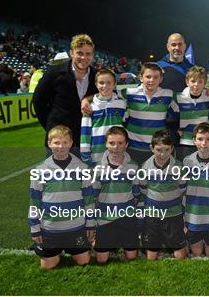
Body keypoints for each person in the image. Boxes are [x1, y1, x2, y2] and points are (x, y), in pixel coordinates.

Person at [28, 125, 94, 269]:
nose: (61, 146)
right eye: (56, 142)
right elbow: (34, 201)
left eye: (65, 142)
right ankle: (54, 251)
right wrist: (35, 228)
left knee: (84, 262)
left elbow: (89, 199)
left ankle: (68, 249)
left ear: (71, 143)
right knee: (48, 267)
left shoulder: (82, 168)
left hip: (76, 227)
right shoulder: (40, 170)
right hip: (50, 228)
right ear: (49, 144)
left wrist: (90, 224)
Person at [33, 34, 98, 155]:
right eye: (79, 53)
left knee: (81, 173)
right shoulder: (54, 72)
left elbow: (109, 94)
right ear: (71, 53)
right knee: (55, 173)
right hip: (59, 138)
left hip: (84, 138)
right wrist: (50, 126)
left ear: (93, 55)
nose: (84, 57)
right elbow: (38, 101)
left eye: (88, 54)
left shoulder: (97, 76)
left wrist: (87, 99)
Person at [92, 126, 140, 264]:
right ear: (106, 144)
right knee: (101, 259)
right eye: (111, 143)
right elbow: (94, 196)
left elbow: (136, 194)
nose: (116, 147)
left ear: (126, 144)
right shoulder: (98, 169)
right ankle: (103, 238)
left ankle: (123, 238)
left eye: (120, 143)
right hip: (105, 218)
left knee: (131, 257)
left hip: (126, 217)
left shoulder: (134, 167)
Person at [140, 129, 187, 260]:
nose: (163, 154)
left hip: (173, 214)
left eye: (167, 150)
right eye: (159, 150)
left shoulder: (179, 167)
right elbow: (143, 188)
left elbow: (182, 188)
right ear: (152, 148)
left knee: (180, 255)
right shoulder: (144, 167)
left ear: (172, 148)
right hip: (152, 214)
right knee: (151, 257)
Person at [120, 62, 178, 164]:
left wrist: (204, 90)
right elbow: (106, 92)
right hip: (133, 146)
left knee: (154, 178)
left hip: (157, 148)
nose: (151, 80)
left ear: (161, 79)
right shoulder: (129, 93)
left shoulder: (168, 94)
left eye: (156, 77)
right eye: (148, 76)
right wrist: (86, 101)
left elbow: (188, 97)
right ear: (141, 78)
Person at [183, 123, 209, 257]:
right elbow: (182, 191)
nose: (204, 143)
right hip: (193, 217)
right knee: (196, 253)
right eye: (200, 139)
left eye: (208, 139)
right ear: (194, 140)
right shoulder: (186, 162)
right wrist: (183, 219)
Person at [80, 68, 127, 166]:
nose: (105, 86)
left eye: (109, 83)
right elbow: (85, 132)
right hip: (97, 154)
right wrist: (85, 153)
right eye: (101, 83)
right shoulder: (89, 106)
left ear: (114, 84)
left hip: (118, 153)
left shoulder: (122, 103)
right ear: (96, 84)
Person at [174, 66, 209, 161]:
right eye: (193, 81)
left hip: (204, 143)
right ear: (187, 82)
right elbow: (172, 116)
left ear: (204, 83)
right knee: (185, 172)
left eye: (200, 82)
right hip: (185, 142)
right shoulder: (178, 98)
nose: (196, 85)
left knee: (203, 171)